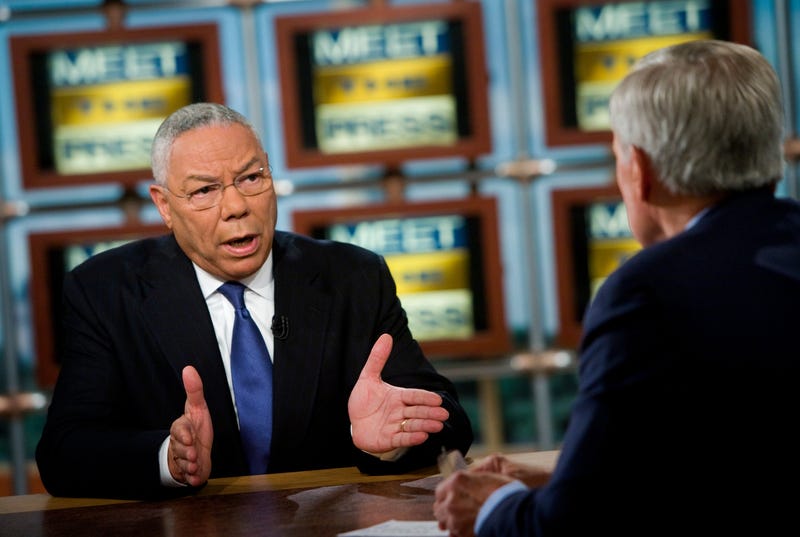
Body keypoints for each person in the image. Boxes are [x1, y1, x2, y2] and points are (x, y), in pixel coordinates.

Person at [434, 39, 800, 536]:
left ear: (641, 171)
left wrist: (494, 510)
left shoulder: (649, 292)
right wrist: (563, 480)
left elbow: (567, 528)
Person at [35, 102, 473, 500]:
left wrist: (394, 440)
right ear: (165, 206)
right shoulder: (105, 291)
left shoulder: (353, 277)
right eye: (204, 191)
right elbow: (64, 451)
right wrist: (169, 457)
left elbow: (450, 420)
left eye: (250, 178)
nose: (236, 206)